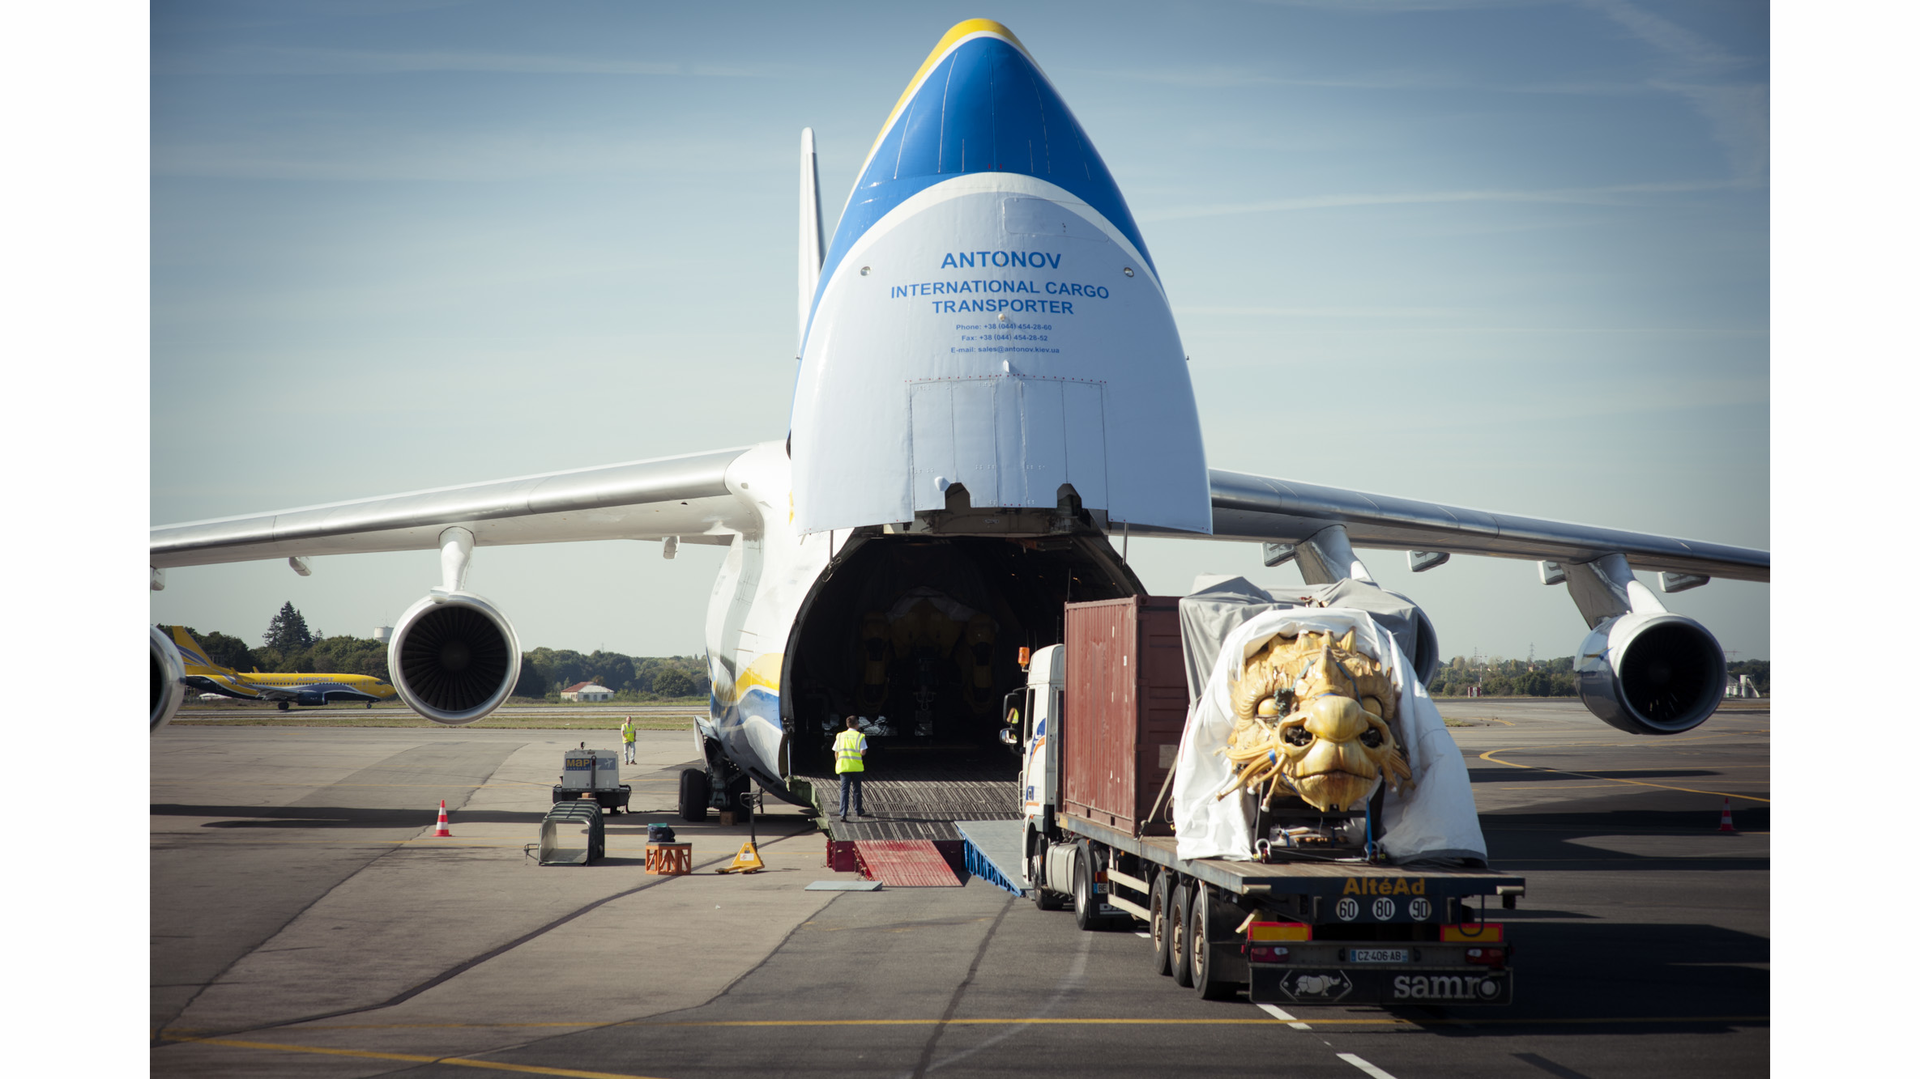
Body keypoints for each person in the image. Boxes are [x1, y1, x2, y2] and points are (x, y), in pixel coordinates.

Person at [833, 715, 868, 821]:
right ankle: (858, 810)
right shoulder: (860, 736)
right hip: (856, 767)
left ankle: (843, 813)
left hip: (844, 767)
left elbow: (836, 752)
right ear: (856, 724)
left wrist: (839, 762)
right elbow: (862, 752)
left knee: (844, 790)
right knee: (857, 789)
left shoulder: (840, 736)